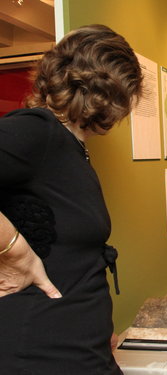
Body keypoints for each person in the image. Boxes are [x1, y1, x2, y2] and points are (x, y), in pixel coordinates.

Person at [0, 24, 143, 374]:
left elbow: (72, 253)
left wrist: (99, 325)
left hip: (79, 344)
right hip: (42, 350)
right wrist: (12, 250)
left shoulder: (71, 146)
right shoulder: (38, 130)